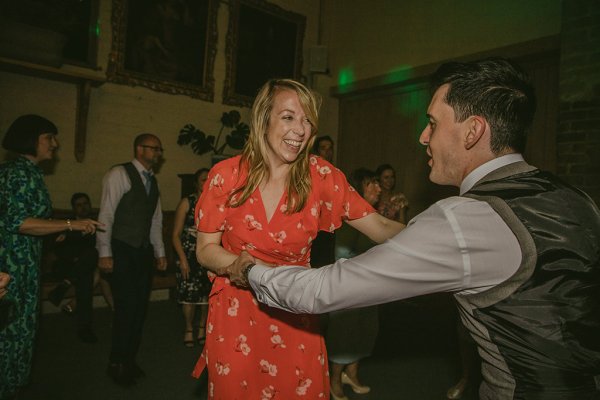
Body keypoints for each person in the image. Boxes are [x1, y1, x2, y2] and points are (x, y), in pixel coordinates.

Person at [238, 58, 600, 399]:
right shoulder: (579, 199)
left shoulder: (462, 220)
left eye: (433, 123)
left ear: (473, 131)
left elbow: (323, 290)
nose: (423, 137)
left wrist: (249, 270)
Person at [190, 78, 404, 399]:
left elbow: (382, 227)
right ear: (264, 119)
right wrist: (241, 266)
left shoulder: (322, 177)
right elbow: (206, 249)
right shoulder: (227, 175)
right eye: (289, 117)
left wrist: (444, 237)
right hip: (237, 311)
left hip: (295, 312)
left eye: (307, 120)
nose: (300, 130)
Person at [0, 115, 100, 399]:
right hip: (12, 264)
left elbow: (31, 220)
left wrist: (51, 232)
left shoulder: (31, 171)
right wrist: (70, 225)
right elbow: (18, 222)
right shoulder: (17, 172)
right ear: (30, 139)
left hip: (28, 261)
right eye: (49, 138)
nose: (54, 145)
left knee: (23, 327)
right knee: (11, 331)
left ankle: (14, 384)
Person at [96, 133, 168, 386]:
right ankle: (116, 363)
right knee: (125, 309)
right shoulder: (119, 174)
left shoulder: (153, 181)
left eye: (159, 150)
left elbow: (155, 221)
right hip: (122, 249)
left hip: (142, 252)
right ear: (140, 149)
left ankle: (129, 359)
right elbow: (105, 214)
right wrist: (104, 253)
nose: (159, 154)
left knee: (139, 310)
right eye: (155, 149)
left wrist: (159, 253)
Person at [328, 168, 381, 400]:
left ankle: (352, 374)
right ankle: (334, 380)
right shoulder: (349, 216)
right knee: (344, 334)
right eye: (373, 184)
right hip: (348, 286)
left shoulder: (372, 213)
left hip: (370, 286)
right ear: (361, 188)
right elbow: (343, 255)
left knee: (365, 330)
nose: (379, 188)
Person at [172, 167, 211, 347]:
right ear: (196, 183)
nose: (207, 181)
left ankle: (202, 328)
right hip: (188, 253)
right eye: (203, 179)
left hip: (209, 254)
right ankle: (189, 329)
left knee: (206, 296)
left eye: (210, 178)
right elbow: (175, 235)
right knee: (189, 294)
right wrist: (183, 260)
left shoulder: (216, 203)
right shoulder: (187, 202)